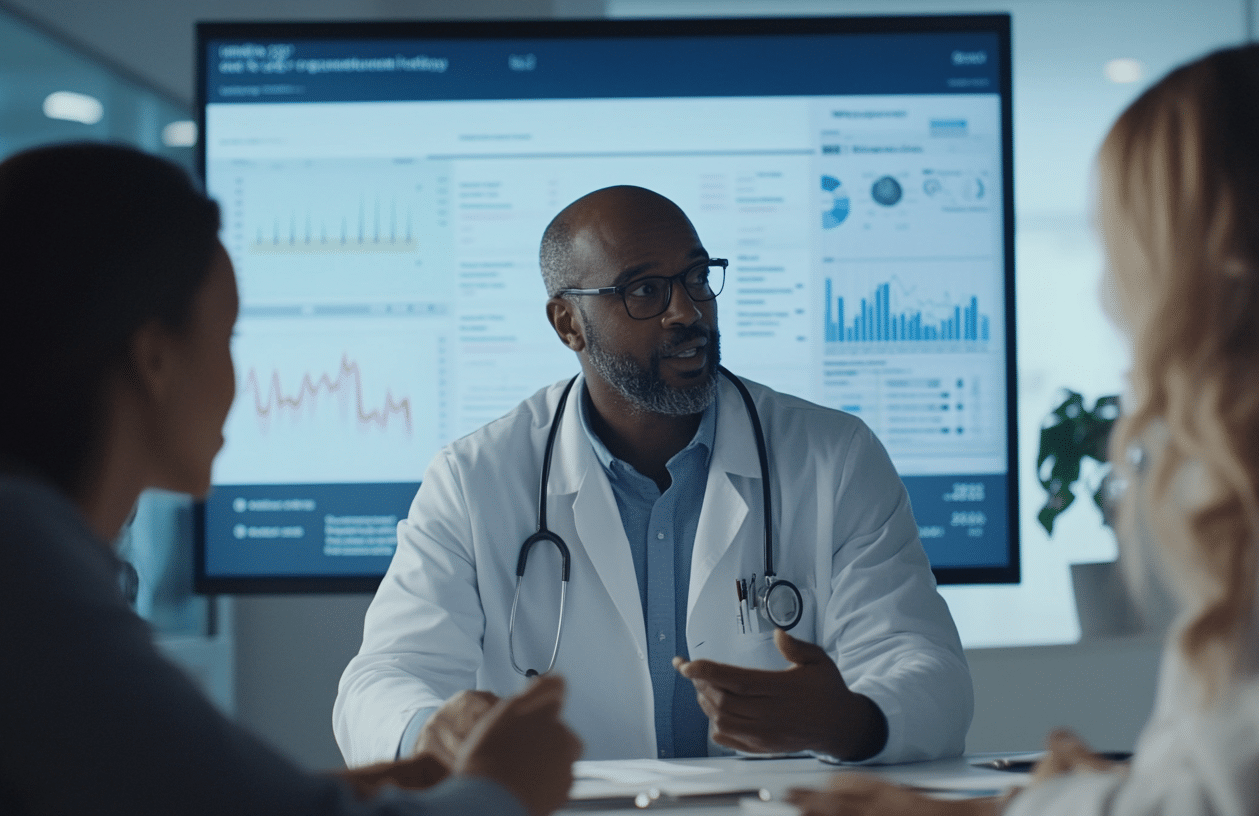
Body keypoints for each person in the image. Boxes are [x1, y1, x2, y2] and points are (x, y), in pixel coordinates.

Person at [788, 41, 1259, 816]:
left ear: (1229, 254)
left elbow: (1255, 800)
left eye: (1129, 253)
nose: (1112, 297)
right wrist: (1092, 794)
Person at [0, 142, 580, 816]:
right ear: (153, 358)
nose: (239, 382)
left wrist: (378, 787)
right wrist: (503, 785)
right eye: (229, 335)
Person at [335, 185, 972, 767]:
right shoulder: (475, 480)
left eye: (697, 277)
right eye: (644, 290)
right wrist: (432, 731)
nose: (685, 312)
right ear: (567, 323)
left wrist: (848, 722)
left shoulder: (834, 456)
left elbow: (926, 668)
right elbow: (382, 677)